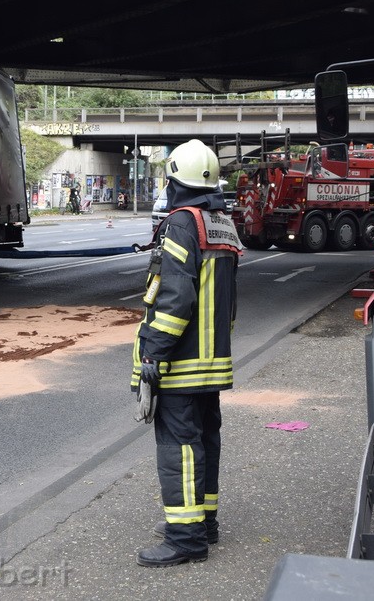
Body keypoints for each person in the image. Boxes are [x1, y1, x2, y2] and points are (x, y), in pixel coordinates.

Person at [131, 139, 242, 568]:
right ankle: (204, 525)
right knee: (205, 441)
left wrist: (153, 358)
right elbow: (227, 301)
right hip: (212, 361)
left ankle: (185, 540)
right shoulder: (221, 223)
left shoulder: (181, 223)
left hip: (180, 361)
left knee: (178, 448)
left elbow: (174, 299)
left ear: (176, 180)